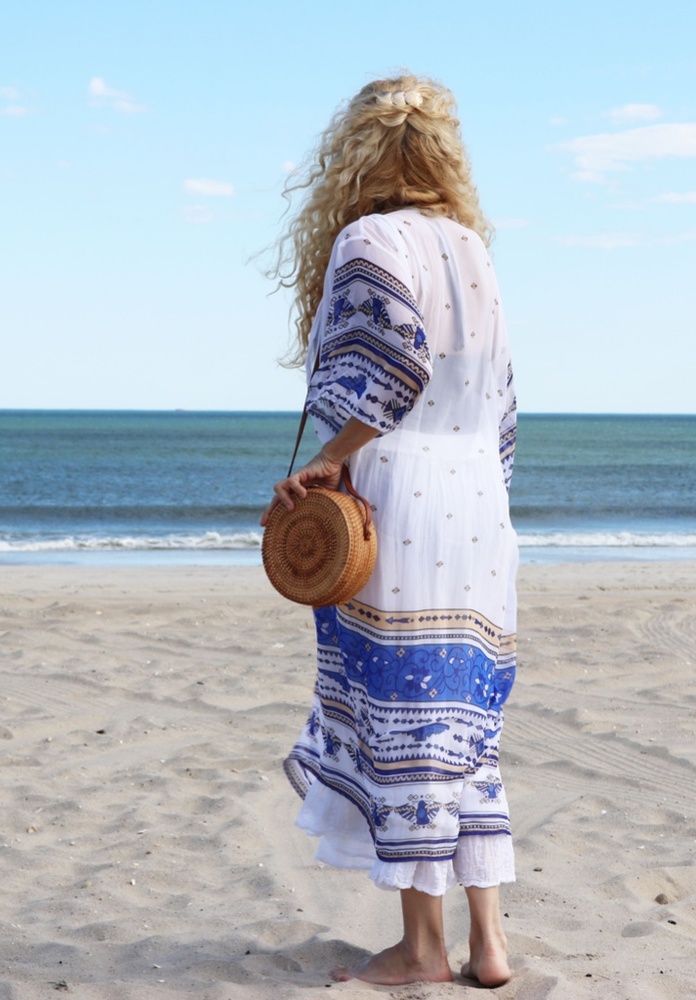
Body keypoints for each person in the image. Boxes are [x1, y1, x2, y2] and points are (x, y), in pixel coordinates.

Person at [261, 74, 517, 987]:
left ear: (357, 154)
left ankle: (423, 949)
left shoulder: (369, 237)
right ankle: (489, 947)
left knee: (404, 720)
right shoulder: (470, 249)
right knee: (464, 732)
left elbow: (390, 360)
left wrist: (334, 456)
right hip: (478, 496)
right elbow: (503, 399)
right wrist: (493, 499)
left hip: (404, 488)